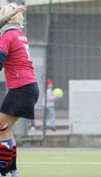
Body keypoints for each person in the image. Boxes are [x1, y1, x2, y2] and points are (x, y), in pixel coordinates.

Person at [0, 3, 39, 177]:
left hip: (21, 88)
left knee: (1, 128)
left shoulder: (7, 36)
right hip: (29, 87)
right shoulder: (19, 35)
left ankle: (3, 171)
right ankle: (12, 171)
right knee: (5, 129)